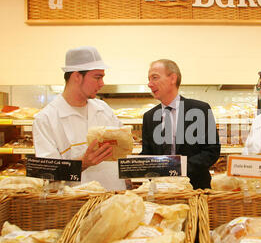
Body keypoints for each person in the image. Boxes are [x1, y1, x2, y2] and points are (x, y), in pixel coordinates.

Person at [32, 46, 127, 191]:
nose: (102, 83)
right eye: (97, 77)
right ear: (76, 76)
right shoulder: (46, 119)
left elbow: (121, 152)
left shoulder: (103, 109)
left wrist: (127, 179)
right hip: (75, 205)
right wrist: (83, 163)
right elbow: (48, 175)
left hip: (114, 198)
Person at [140, 59, 221, 189]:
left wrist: (178, 168)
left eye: (154, 78)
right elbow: (147, 153)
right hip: (161, 190)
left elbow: (211, 151)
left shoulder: (200, 109)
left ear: (172, 78)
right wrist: (132, 165)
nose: (149, 84)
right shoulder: (149, 117)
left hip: (195, 188)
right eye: (148, 79)